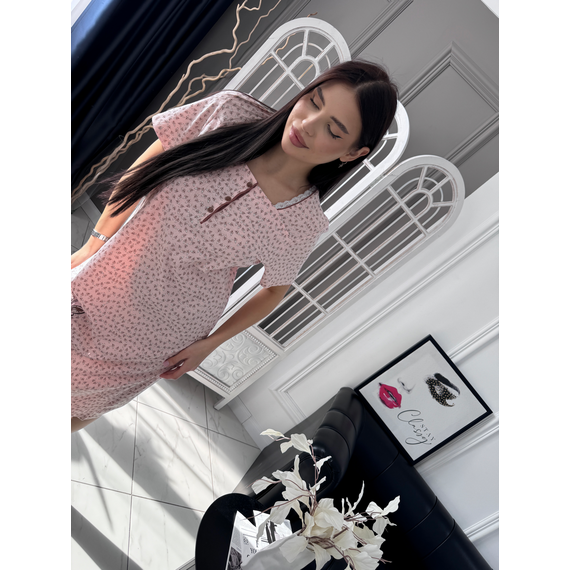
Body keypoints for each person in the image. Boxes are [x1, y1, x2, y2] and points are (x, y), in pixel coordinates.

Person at [71, 59, 399, 432]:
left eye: (333, 130)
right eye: (314, 101)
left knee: (76, 409)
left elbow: (274, 291)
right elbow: (153, 159)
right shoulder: (229, 113)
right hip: (100, 282)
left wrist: (210, 344)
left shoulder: (302, 221)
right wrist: (94, 243)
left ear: (353, 153)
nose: (306, 124)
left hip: (159, 336)